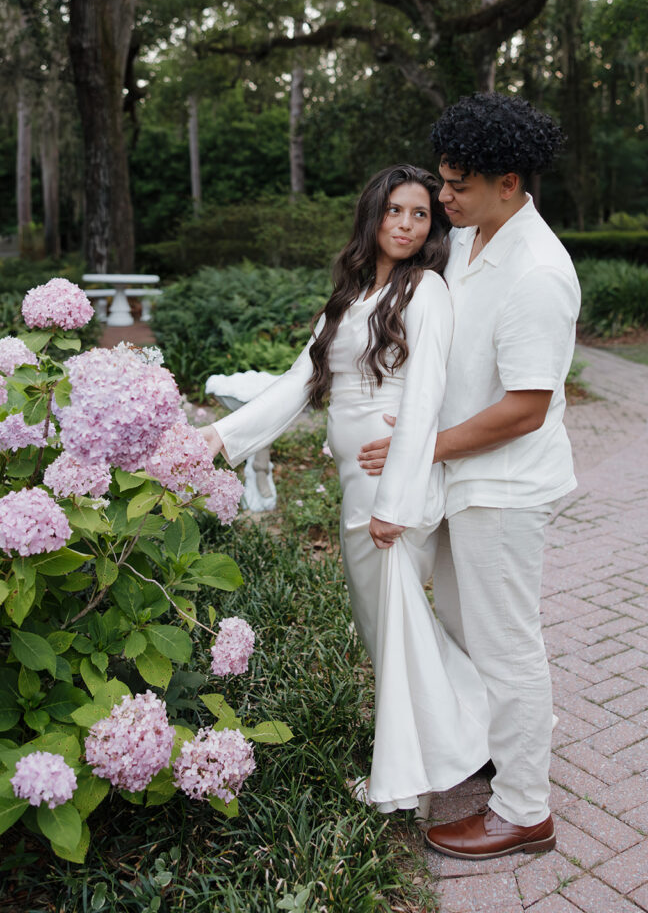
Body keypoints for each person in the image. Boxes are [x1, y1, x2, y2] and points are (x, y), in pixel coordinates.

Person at [202, 165, 491, 815]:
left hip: (395, 485)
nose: (408, 224)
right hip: (357, 485)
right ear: (374, 215)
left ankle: (406, 783)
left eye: (421, 214)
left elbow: (424, 400)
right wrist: (218, 439)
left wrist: (395, 501)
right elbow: (298, 382)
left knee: (395, 631)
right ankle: (489, 724)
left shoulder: (427, 292)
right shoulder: (356, 292)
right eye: (396, 211)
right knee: (383, 627)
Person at [359, 94, 581, 858]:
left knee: (508, 644)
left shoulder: (538, 273)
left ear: (510, 183)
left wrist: (423, 450)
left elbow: (525, 407)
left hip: (507, 488)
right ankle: (488, 750)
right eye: (443, 181)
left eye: (456, 185)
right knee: (462, 626)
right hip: (465, 480)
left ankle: (524, 809)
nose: (441, 197)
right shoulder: (471, 240)